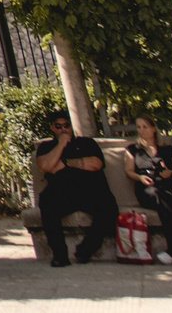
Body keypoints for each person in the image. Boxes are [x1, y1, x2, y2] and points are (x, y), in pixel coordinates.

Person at [33, 109, 118, 266]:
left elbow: (96, 164)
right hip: (62, 193)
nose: (63, 129)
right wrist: (61, 145)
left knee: (109, 208)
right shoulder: (47, 147)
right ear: (52, 128)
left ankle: (85, 250)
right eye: (58, 126)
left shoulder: (86, 143)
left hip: (90, 190)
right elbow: (45, 166)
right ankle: (60, 255)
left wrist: (65, 163)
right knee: (46, 202)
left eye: (66, 125)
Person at [126, 115, 172, 265]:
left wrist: (171, 173)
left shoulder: (168, 149)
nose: (142, 130)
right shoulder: (133, 150)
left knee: (165, 209)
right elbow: (128, 171)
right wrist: (140, 178)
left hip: (166, 189)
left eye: (145, 127)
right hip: (146, 190)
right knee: (157, 195)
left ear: (154, 129)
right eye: (139, 127)